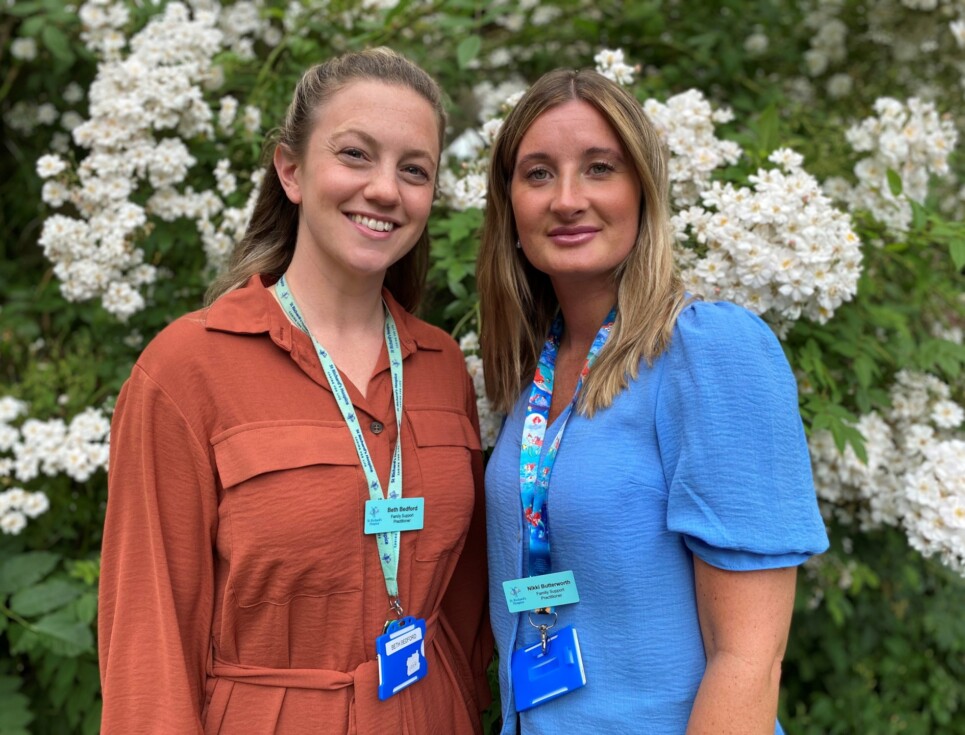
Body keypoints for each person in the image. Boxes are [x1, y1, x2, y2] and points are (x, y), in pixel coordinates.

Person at [99, 48, 492, 735]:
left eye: (413, 170)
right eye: (355, 155)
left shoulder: (441, 369)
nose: (384, 190)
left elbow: (462, 606)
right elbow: (148, 634)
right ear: (290, 170)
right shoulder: (187, 369)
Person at [477, 68, 829, 734]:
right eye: (538, 173)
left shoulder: (709, 349)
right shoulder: (533, 375)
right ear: (509, 206)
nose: (567, 198)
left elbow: (749, 657)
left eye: (599, 168)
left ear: (643, 189)